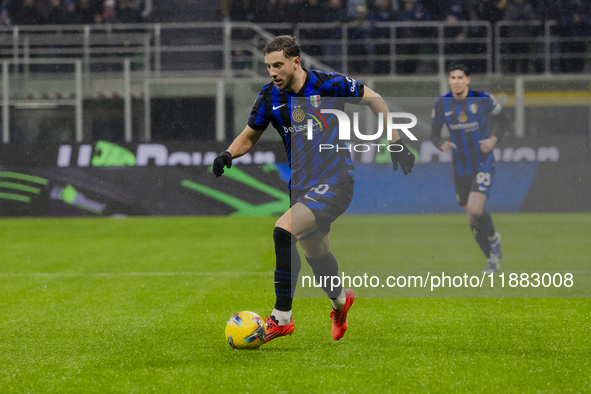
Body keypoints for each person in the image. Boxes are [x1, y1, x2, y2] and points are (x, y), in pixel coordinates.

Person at [213, 35, 415, 343]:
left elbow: (373, 98)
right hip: (302, 187)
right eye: (268, 66)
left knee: (283, 231)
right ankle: (340, 301)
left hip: (336, 181)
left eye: (278, 65)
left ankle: (281, 318)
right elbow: (249, 136)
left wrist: (396, 141)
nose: (272, 72)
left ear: (296, 62)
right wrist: (229, 153)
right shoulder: (268, 97)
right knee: (316, 253)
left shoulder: (327, 84)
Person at [430, 63, 509, 274]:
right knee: (472, 219)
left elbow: (503, 120)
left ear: (468, 80)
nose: (456, 81)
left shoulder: (482, 98)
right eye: (452, 77)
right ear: (449, 80)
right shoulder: (442, 104)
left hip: (483, 161)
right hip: (460, 166)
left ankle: (493, 237)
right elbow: (434, 135)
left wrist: (493, 139)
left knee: (475, 209)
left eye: (460, 77)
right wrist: (441, 144)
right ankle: (491, 259)